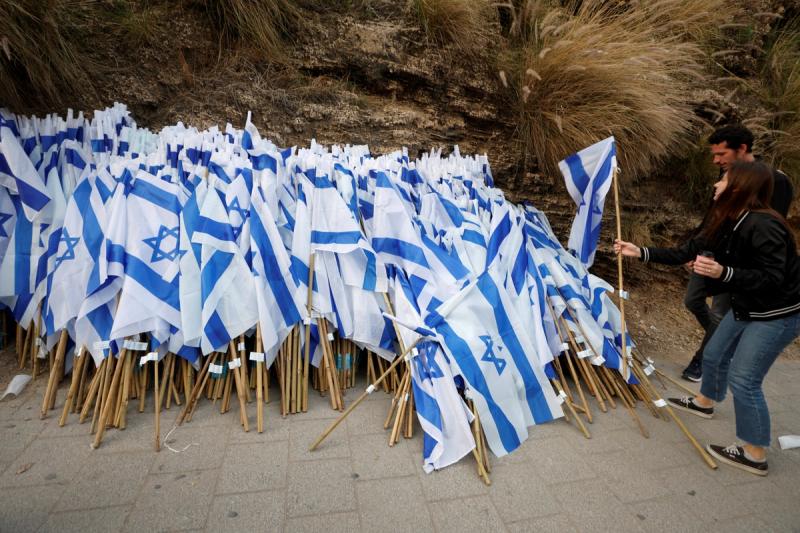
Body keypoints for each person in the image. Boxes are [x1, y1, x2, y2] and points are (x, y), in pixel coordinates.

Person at [615, 161, 800, 476]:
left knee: (745, 378)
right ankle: (705, 402)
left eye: (723, 180)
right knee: (713, 354)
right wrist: (640, 251)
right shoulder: (728, 219)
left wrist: (724, 272)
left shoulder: (765, 225)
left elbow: (773, 277)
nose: (715, 186)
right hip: (747, 305)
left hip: (776, 313)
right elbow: (688, 250)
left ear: (739, 188)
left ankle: (754, 453)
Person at [680, 125, 794, 382]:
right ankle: (723, 343)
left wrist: (732, 269)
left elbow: (769, 229)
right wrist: (695, 249)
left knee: (720, 311)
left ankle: (703, 360)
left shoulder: (775, 180)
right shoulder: (724, 175)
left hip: (737, 267)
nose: (716, 160)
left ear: (742, 149)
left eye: (721, 154)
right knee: (692, 301)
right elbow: (712, 219)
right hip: (710, 255)